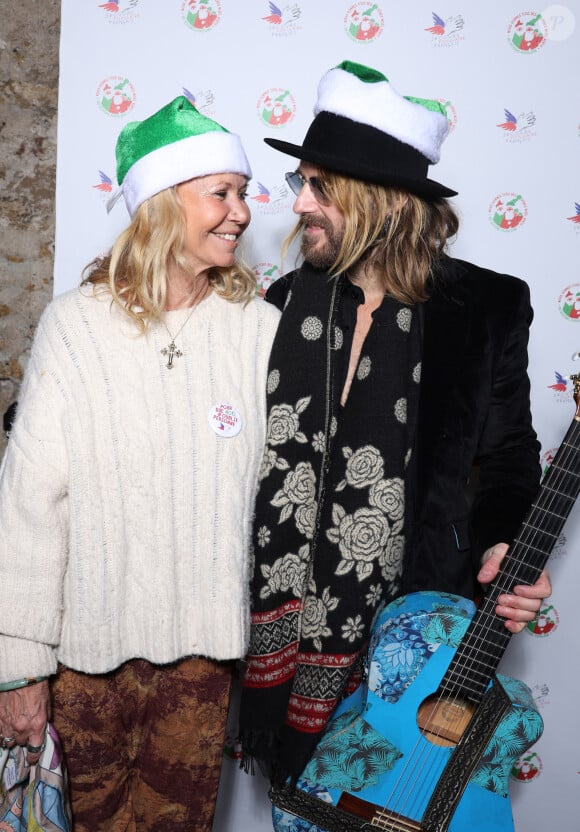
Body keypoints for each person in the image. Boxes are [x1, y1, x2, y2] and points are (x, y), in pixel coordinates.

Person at [238, 61, 551, 787]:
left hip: (418, 627)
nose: (301, 204)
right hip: (280, 620)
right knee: (304, 805)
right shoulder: (283, 303)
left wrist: (511, 548)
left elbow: (508, 454)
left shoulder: (488, 306)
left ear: (379, 200)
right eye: (301, 183)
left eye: (320, 187)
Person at [0, 95, 280, 830]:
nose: (242, 213)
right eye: (220, 193)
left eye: (244, 193)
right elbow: (31, 504)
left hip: (203, 664)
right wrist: (19, 664)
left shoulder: (260, 330)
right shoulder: (75, 326)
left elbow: (282, 497)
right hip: (84, 663)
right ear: (159, 203)